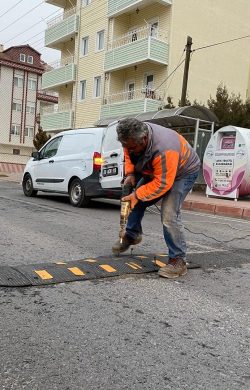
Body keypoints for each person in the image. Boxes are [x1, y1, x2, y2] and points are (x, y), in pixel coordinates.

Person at [112, 118, 200, 279]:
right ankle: (132, 235)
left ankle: (178, 261)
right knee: (135, 200)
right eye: (126, 146)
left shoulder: (165, 149)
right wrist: (130, 174)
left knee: (169, 214)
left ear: (144, 139)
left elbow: (163, 183)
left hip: (183, 171)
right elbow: (128, 151)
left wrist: (137, 194)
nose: (128, 149)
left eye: (132, 147)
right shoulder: (131, 138)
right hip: (155, 168)